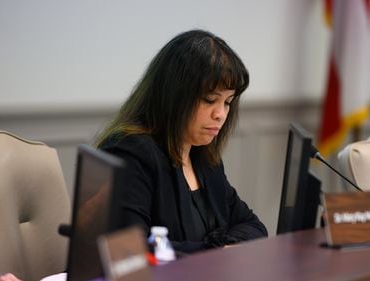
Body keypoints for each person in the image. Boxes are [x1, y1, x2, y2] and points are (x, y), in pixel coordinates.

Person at [95, 29, 268, 254]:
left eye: (228, 102)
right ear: (175, 97)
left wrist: (217, 249)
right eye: (209, 100)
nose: (220, 114)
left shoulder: (204, 157)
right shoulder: (130, 152)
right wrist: (216, 251)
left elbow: (253, 226)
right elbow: (133, 251)